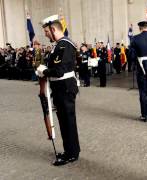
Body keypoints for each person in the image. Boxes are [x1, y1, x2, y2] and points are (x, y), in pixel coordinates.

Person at [36, 14, 80, 166]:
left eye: (47, 32)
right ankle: (71, 150)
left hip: (65, 88)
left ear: (53, 29)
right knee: (65, 121)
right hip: (61, 88)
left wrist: (44, 71)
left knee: (67, 122)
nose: (46, 35)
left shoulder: (64, 45)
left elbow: (59, 71)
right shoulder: (60, 45)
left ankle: (71, 154)